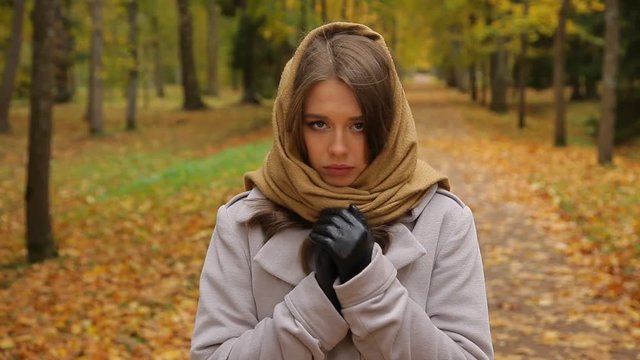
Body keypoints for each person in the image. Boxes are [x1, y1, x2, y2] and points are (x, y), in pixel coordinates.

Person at [190, 22, 494, 360]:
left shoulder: (443, 221)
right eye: (318, 124)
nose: (338, 148)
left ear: (388, 125)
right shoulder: (243, 223)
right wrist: (317, 301)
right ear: (293, 125)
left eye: (359, 125)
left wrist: (367, 284)